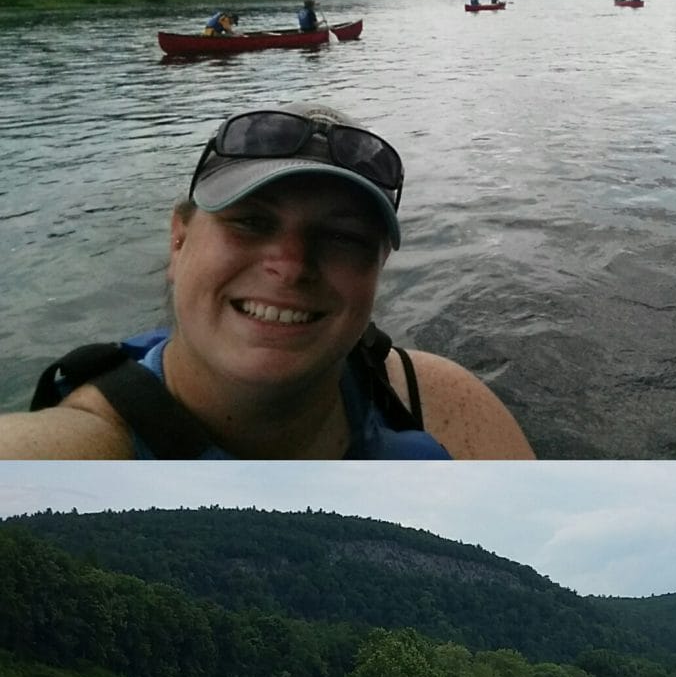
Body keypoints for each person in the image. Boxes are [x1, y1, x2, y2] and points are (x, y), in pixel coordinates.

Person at [0, 102, 536, 461]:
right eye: (251, 223)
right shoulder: (64, 452)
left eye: (343, 237)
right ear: (178, 241)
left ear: (376, 272)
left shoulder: (442, 403)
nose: (292, 264)